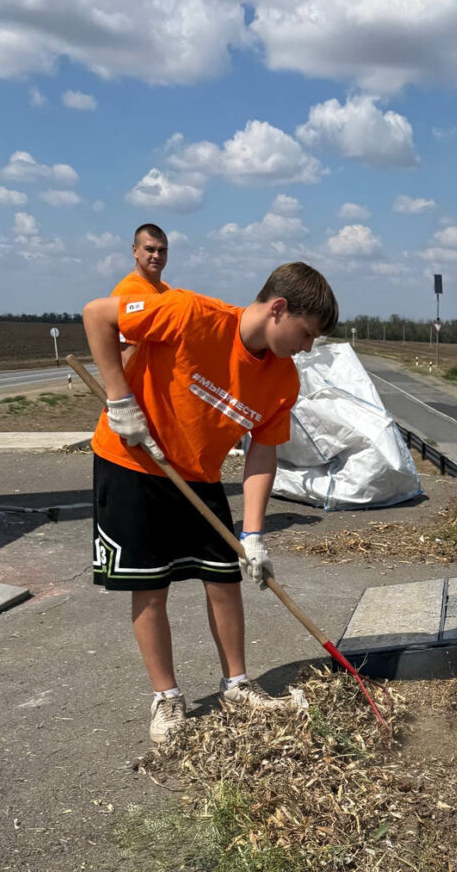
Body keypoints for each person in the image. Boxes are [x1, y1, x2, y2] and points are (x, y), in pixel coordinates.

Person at [82, 262, 338, 743]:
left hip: (198, 472)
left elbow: (263, 452)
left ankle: (237, 685)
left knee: (224, 579)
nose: (307, 348)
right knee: (150, 585)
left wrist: (255, 534)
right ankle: (167, 698)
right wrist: (120, 400)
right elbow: (98, 315)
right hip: (133, 460)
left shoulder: (282, 381)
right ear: (278, 309)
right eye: (306, 334)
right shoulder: (189, 313)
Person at [112, 223, 171, 367]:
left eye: (162, 250)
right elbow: (127, 353)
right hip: (146, 384)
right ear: (135, 251)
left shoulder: (165, 289)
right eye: (150, 250)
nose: (156, 256)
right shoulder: (129, 291)